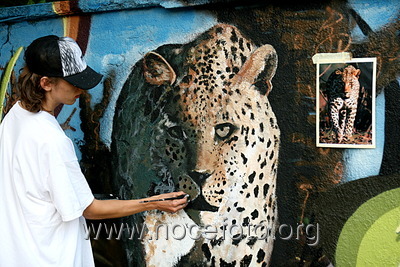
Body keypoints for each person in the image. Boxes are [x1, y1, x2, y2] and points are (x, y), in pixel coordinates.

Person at [0, 35, 188, 267]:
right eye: (73, 82)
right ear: (46, 83)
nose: (81, 89)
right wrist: (154, 203)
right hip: (53, 258)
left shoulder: (15, 116)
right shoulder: (52, 141)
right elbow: (89, 209)